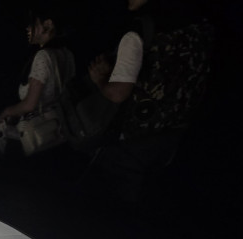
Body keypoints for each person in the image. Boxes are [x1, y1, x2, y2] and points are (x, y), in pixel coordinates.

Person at [87, 0, 214, 201]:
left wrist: (100, 80)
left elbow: (118, 93)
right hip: (174, 134)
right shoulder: (200, 22)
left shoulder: (139, 30)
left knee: (109, 199)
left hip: (132, 139)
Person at [0, 8, 75, 157]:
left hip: (37, 132)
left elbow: (30, 104)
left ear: (48, 24)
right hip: (58, 129)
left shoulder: (43, 56)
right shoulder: (67, 54)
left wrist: (7, 112)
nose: (28, 28)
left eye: (33, 24)